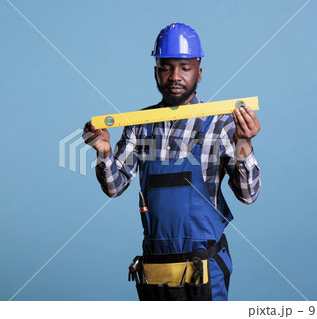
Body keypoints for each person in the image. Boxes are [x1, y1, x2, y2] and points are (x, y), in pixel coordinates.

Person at [83, 23, 261, 301]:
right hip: (156, 269)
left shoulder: (222, 123)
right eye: (166, 67)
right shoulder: (139, 125)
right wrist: (103, 152)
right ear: (156, 70)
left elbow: (248, 195)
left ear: (198, 72)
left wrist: (244, 145)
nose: (175, 76)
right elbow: (114, 187)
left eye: (185, 67)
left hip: (204, 267)